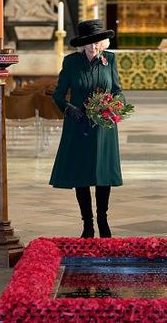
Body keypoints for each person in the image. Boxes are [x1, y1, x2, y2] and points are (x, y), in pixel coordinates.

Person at [49, 19, 123, 238]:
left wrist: (115, 106)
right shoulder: (71, 63)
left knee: (103, 174)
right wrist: (70, 109)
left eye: (97, 42)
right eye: (89, 43)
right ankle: (88, 224)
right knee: (81, 174)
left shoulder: (110, 60)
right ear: (82, 44)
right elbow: (58, 95)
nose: (93, 47)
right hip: (79, 125)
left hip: (104, 126)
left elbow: (118, 90)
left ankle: (103, 219)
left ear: (103, 42)